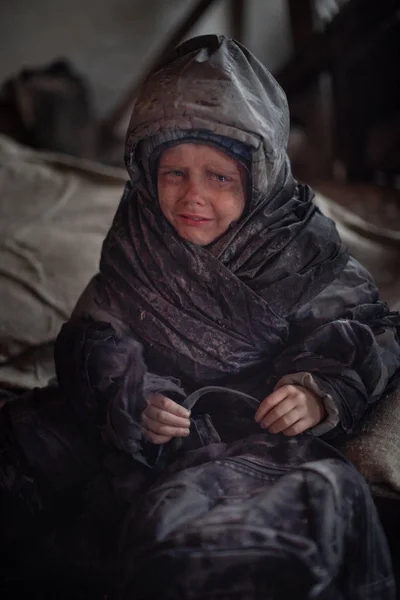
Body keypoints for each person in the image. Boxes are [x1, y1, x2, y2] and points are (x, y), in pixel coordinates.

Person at [2, 34, 400, 599]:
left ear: (258, 178)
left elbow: (368, 329)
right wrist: (135, 397)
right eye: (174, 174)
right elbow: (98, 334)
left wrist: (319, 389)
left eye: (219, 177)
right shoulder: (139, 235)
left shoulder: (298, 247)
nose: (193, 197)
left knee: (214, 539)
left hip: (248, 433)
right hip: (142, 427)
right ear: (146, 173)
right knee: (23, 445)